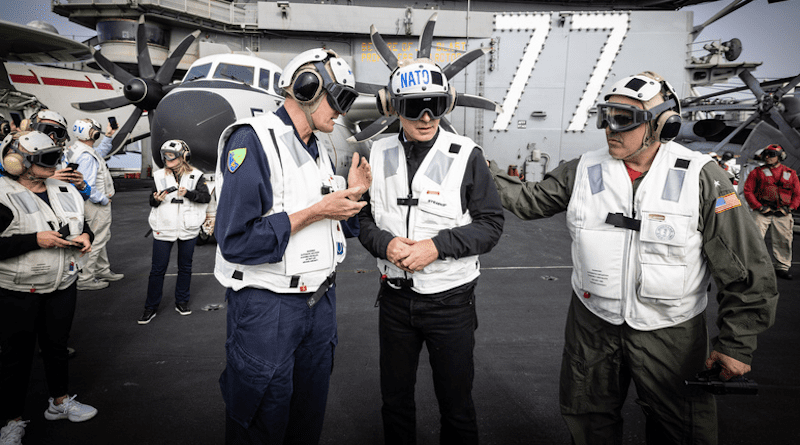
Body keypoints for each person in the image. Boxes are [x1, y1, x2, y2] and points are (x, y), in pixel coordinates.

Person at [489, 72, 778, 444]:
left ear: (662, 125)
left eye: (624, 120)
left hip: (670, 329)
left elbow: (746, 267)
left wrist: (736, 344)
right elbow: (529, 201)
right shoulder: (584, 169)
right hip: (592, 324)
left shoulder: (702, 177)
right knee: (589, 420)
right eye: (606, 116)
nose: (610, 129)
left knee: (683, 428)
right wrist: (477, 167)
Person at [214, 48, 369, 444]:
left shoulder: (319, 148)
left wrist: (350, 196)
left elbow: (330, 223)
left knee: (307, 417)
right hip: (269, 309)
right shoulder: (253, 140)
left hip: (320, 305)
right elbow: (236, 240)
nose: (341, 111)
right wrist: (317, 211)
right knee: (261, 421)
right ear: (307, 88)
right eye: (339, 99)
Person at [357, 58, 504, 445]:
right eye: (414, 106)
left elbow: (491, 225)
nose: (426, 117)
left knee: (456, 406)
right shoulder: (378, 152)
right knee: (395, 402)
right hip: (394, 301)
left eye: (435, 105)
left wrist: (436, 248)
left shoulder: (467, 154)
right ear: (393, 106)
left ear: (446, 104)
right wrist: (385, 244)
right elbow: (364, 221)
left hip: (450, 303)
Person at [0, 131, 98, 445]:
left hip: (63, 283)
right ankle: (11, 420)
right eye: (47, 159)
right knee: (16, 356)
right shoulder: (1, 193)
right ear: (19, 162)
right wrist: (34, 240)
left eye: (56, 156)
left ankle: (59, 402)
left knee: (57, 347)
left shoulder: (66, 189)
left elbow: (84, 226)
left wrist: (86, 238)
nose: (55, 164)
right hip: (17, 290)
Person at [137, 140, 211, 324]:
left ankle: (182, 302)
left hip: (188, 227)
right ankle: (150, 307)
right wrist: (156, 199)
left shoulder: (196, 175)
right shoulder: (158, 176)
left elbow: (205, 198)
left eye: (171, 155)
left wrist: (188, 194)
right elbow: (152, 201)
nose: (167, 159)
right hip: (164, 226)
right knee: (157, 269)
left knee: (185, 267)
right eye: (166, 155)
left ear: (183, 156)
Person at [64, 118, 122, 291]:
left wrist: (109, 136)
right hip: (94, 204)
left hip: (86, 203)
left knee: (99, 237)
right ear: (91, 132)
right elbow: (87, 186)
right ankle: (86, 278)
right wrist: (104, 199)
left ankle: (102, 270)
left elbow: (99, 153)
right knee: (96, 240)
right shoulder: (86, 157)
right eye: (96, 130)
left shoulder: (80, 150)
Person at [743, 143, 800, 280]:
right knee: (754, 239)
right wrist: (759, 207)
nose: (767, 157)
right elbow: (748, 191)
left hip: (783, 212)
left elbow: (797, 194)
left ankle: (782, 267)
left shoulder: (790, 174)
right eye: (766, 155)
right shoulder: (756, 173)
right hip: (762, 211)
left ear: (780, 157)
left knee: (784, 240)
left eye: (771, 155)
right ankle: (753, 267)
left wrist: (790, 208)